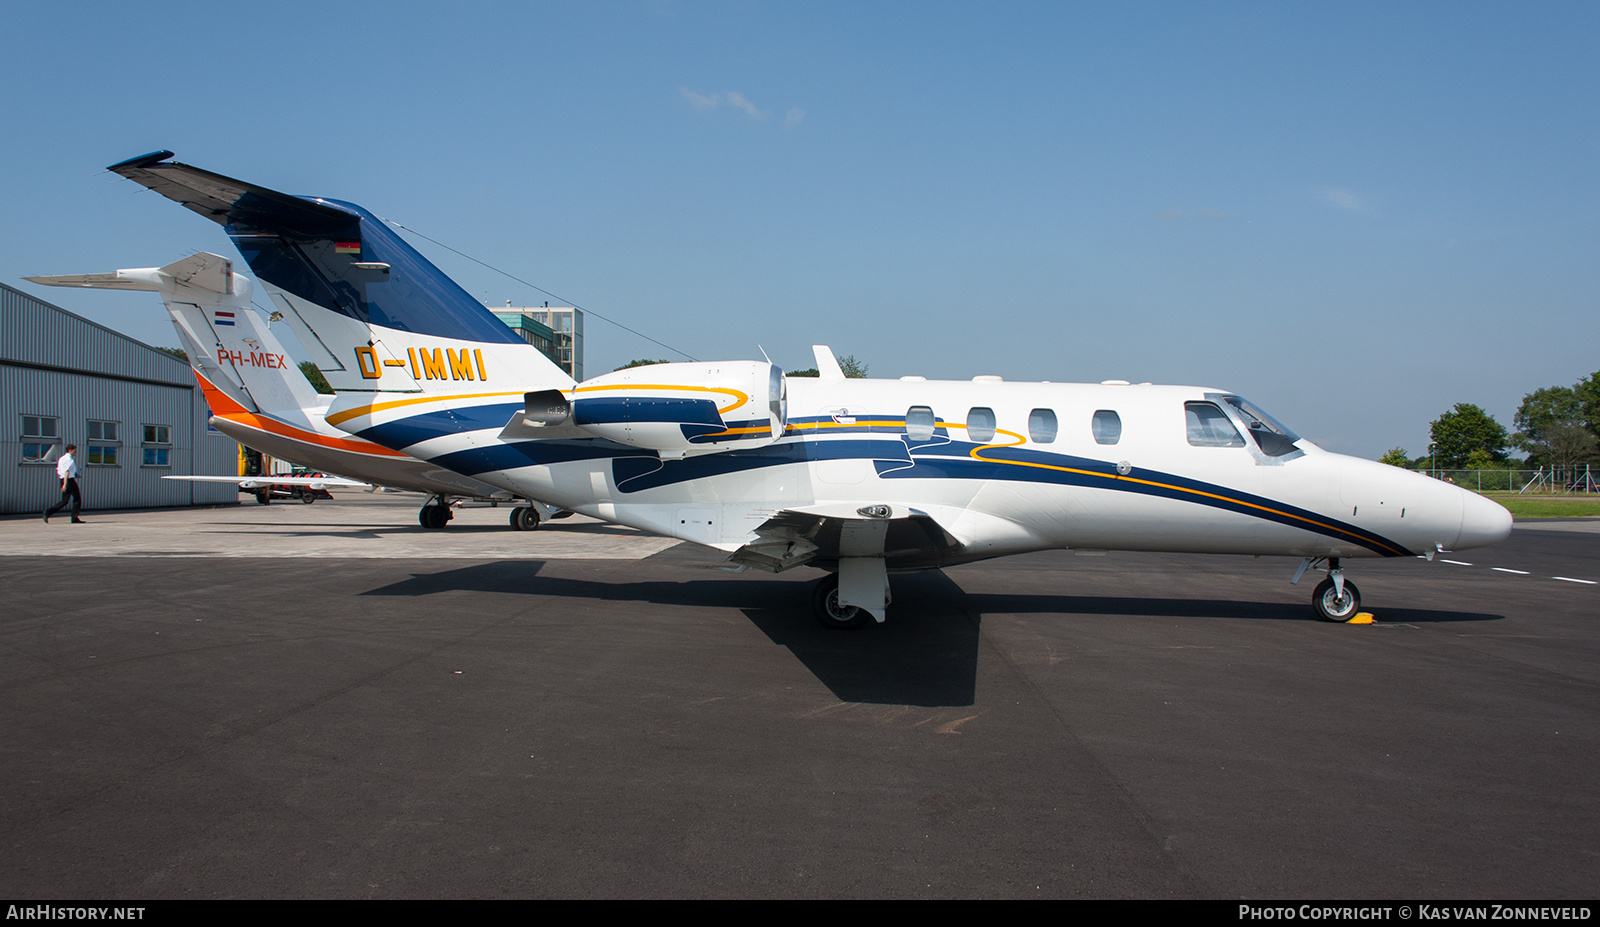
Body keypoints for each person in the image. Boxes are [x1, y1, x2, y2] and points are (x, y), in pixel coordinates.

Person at [43, 444, 84, 524]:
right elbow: (67, 471)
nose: (75, 452)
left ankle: (48, 512)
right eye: (74, 451)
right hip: (68, 480)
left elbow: (60, 470)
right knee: (77, 499)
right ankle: (74, 518)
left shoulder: (61, 459)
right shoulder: (69, 460)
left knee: (65, 500)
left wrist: (74, 475)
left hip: (63, 479)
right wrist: (65, 484)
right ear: (70, 450)